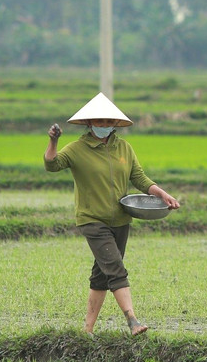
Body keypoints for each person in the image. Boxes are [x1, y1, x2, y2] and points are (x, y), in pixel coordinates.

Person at [44, 92, 180, 335]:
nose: (104, 126)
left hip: (120, 218)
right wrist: (53, 142)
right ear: (89, 123)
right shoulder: (77, 149)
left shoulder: (124, 148)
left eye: (108, 122)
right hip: (92, 219)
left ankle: (87, 330)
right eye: (99, 122)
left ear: (115, 124)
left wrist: (162, 194)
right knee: (116, 269)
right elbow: (52, 165)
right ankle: (133, 321)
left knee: (101, 275)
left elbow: (139, 178)